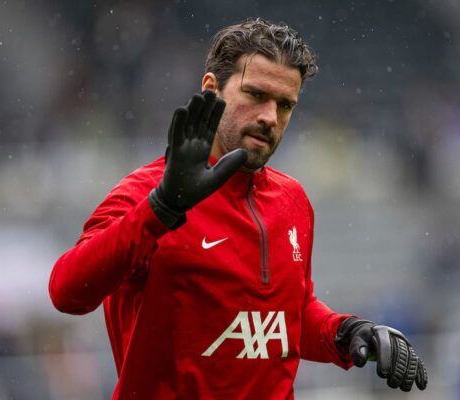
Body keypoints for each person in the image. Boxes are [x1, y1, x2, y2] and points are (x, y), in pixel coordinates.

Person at [49, 18, 428, 399]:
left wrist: (345, 334)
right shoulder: (144, 193)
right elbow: (66, 292)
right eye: (255, 95)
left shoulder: (292, 200)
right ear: (212, 89)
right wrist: (162, 208)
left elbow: (284, 316)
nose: (269, 117)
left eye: (284, 105)